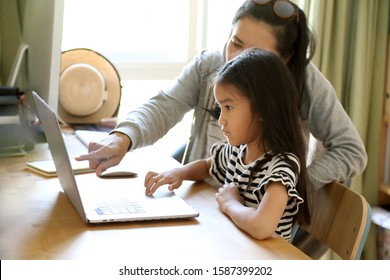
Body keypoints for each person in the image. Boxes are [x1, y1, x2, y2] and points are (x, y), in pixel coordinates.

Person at [76, 0, 367, 253]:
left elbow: (351, 151)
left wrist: (289, 186)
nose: (234, 59)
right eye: (235, 42)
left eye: (252, 53)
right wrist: (122, 138)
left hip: (247, 225)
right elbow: (166, 105)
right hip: (204, 211)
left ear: (283, 60)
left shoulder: (305, 84)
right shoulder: (210, 65)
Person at [144, 48, 311, 241]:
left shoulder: (281, 167)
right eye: (220, 108)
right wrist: (179, 173)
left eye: (229, 107)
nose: (221, 119)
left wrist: (230, 203)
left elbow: (262, 226)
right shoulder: (236, 151)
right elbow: (208, 166)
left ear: (265, 107)